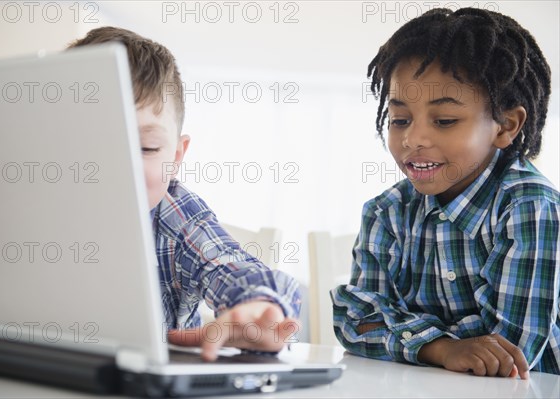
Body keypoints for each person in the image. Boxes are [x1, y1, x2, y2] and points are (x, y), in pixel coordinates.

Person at [331, 7, 559, 377]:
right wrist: (441, 348)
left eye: (445, 121)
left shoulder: (529, 206)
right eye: (400, 119)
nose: (412, 138)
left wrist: (403, 330)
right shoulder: (385, 212)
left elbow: (509, 352)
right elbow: (355, 320)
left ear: (507, 125)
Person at [68, 27, 301, 361]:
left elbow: (227, 263)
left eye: (146, 147)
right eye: (91, 142)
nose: (118, 166)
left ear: (176, 157)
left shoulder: (176, 218)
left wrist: (258, 305)